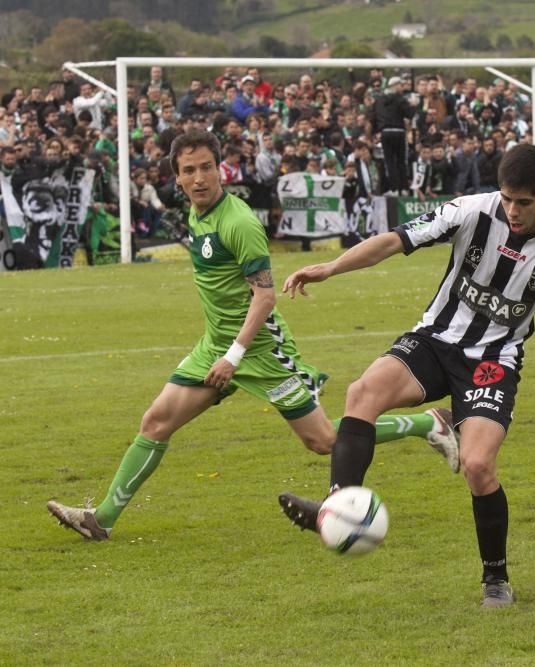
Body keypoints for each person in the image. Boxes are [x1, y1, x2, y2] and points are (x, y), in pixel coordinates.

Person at [47, 130, 459, 542]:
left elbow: (264, 297)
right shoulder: (197, 213)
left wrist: (235, 356)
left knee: (324, 441)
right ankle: (99, 520)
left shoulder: (239, 222)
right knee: (155, 422)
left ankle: (427, 424)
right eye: (189, 170)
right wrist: (223, 351)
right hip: (215, 346)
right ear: (177, 177)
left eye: (207, 167)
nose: (199, 178)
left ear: (220, 169)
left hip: (260, 350)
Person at [277, 144, 535, 608]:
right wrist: (331, 266)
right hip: (434, 340)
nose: (511, 210)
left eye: (523, 202)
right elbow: (395, 239)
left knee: (477, 465)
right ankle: (337, 506)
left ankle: (496, 578)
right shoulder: (470, 211)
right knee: (362, 392)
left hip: (492, 363)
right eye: (507, 198)